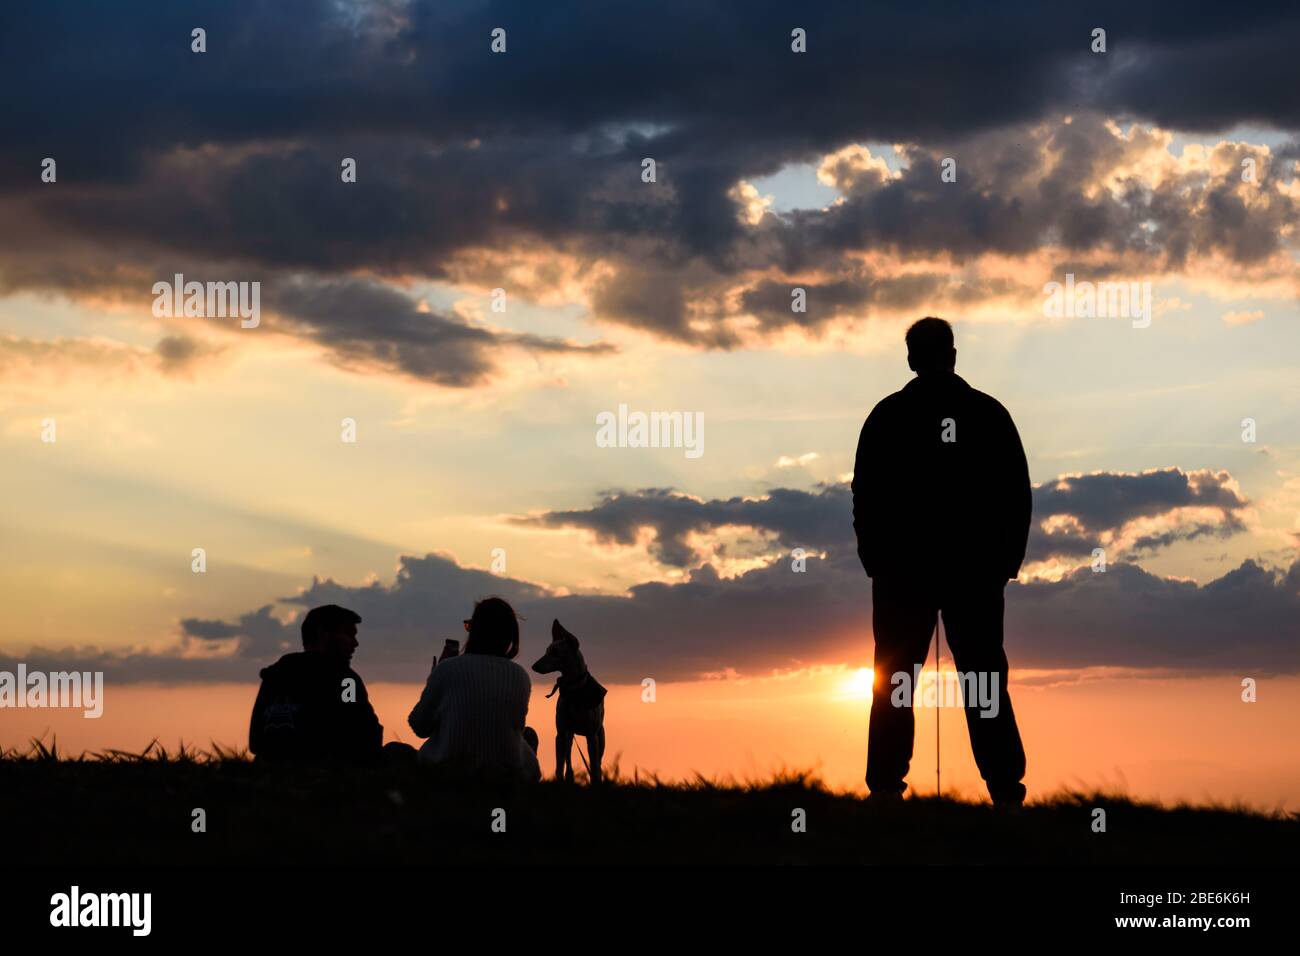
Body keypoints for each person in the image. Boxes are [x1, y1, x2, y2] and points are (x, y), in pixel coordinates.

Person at [852, 317, 1032, 807]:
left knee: (893, 680)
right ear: (953, 355)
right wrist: (1003, 562)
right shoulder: (988, 414)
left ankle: (887, 788)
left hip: (904, 573)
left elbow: (865, 494)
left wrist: (877, 559)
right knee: (983, 679)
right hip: (971, 572)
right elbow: (1016, 493)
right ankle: (1005, 790)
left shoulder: (887, 416)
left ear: (911, 359)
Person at [407, 597, 541, 783]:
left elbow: (420, 726)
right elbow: (508, 729)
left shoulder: (447, 670)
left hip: (448, 777)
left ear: (475, 632)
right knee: (526, 736)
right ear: (510, 636)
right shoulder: (520, 676)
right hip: (503, 779)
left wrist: (434, 677)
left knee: (394, 750)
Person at [248, 604, 384, 764]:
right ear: (323, 634)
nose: (355, 643)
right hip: (327, 771)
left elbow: (256, 741)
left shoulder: (275, 676)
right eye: (348, 634)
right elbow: (361, 729)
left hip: (271, 771)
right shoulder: (346, 681)